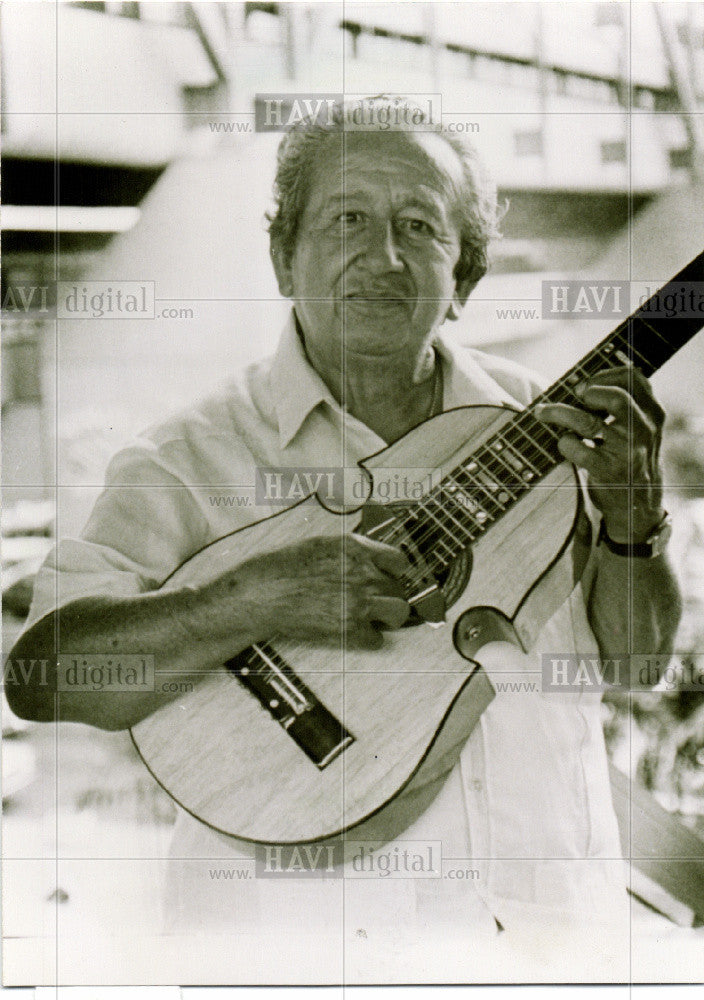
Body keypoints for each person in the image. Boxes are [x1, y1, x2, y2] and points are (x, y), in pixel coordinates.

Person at [7, 96, 681, 977]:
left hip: (551, 940)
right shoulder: (184, 459)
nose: (385, 255)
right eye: (348, 219)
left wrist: (635, 522)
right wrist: (246, 599)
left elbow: (635, 667)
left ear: (467, 276)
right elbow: (45, 677)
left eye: (420, 226)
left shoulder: (549, 425)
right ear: (284, 256)